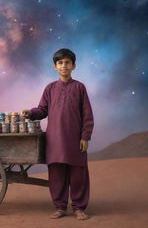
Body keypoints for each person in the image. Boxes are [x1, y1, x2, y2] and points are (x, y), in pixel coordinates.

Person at [21, 48, 94, 220]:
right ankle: (60, 207)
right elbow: (42, 110)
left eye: (67, 62)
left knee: (78, 174)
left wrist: (85, 136)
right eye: (60, 63)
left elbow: (87, 115)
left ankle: (79, 208)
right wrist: (30, 113)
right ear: (55, 67)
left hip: (75, 139)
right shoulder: (50, 88)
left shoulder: (80, 87)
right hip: (54, 139)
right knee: (56, 174)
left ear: (74, 66)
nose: (64, 66)